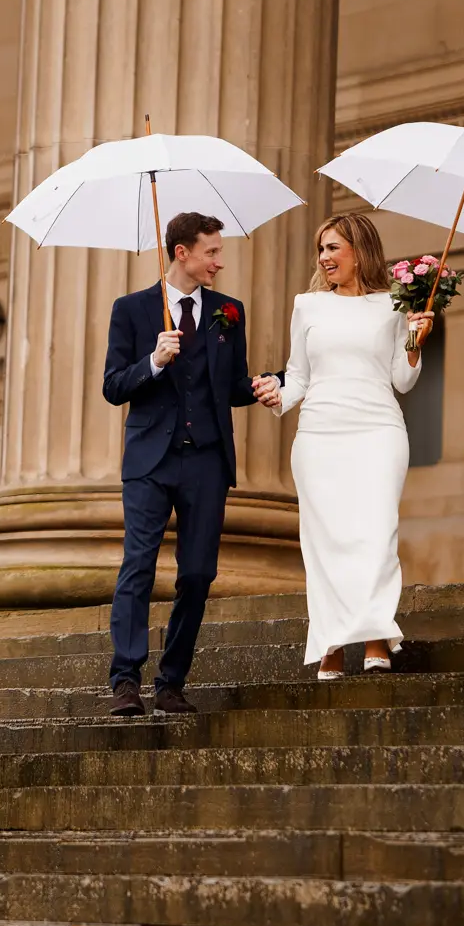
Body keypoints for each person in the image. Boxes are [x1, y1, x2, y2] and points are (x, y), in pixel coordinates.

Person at [100, 211, 271, 716]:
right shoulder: (131, 310)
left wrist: (263, 385)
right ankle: (125, 679)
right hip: (151, 459)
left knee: (197, 575)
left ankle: (171, 681)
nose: (220, 260)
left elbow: (231, 385)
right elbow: (113, 386)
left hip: (207, 460)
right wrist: (153, 361)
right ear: (182, 253)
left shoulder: (228, 311)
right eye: (212, 252)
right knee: (138, 566)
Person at [253, 212, 432, 680]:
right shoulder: (307, 306)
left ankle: (375, 637)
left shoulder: (394, 304)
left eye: (333, 248)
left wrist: (415, 341)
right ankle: (330, 643)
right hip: (319, 435)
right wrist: (276, 395)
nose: (324, 258)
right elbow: (299, 377)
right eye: (321, 249)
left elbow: (402, 379)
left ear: (360, 250)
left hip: (378, 429)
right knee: (325, 543)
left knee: (377, 534)